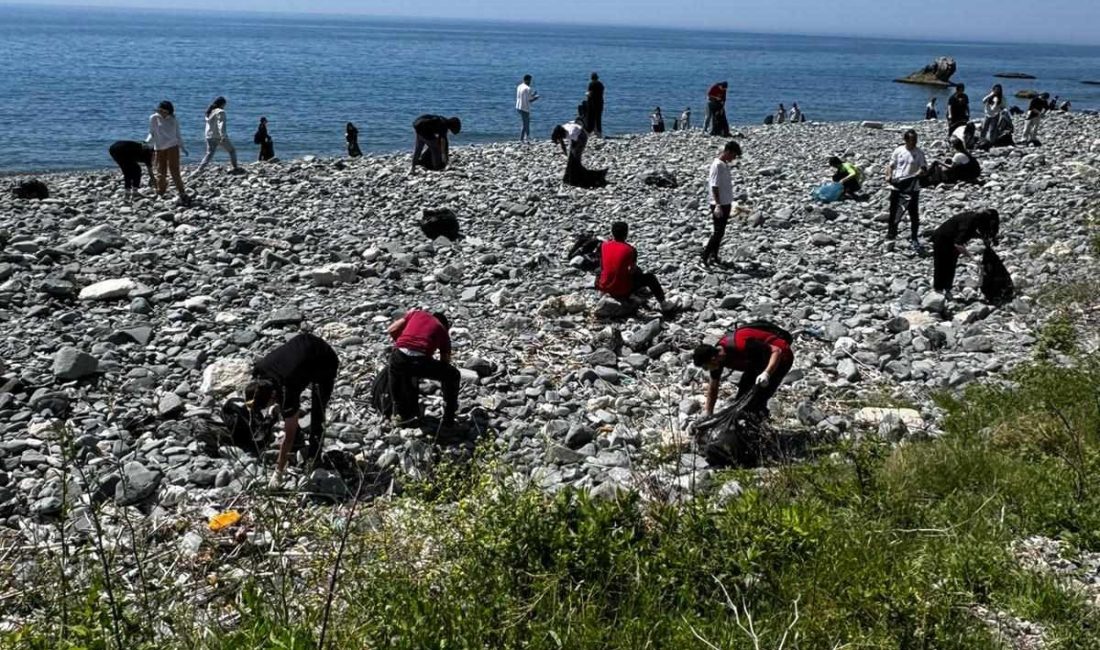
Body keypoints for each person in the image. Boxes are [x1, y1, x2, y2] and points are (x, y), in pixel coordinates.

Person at [244, 332, 339, 485]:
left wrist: (278, 471)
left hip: (324, 360)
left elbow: (288, 436)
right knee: (288, 411)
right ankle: (300, 442)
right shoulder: (260, 370)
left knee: (317, 412)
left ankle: (314, 457)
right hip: (302, 346)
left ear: (273, 395)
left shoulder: (287, 389)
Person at [692, 325, 795, 420]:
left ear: (712, 359)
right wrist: (708, 412)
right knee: (741, 400)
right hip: (757, 362)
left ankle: (761, 428)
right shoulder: (718, 360)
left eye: (705, 367)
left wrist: (767, 373)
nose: (706, 370)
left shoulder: (741, 345)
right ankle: (747, 423)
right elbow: (713, 386)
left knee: (758, 399)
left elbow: (776, 351)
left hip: (782, 356)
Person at [387, 309, 460, 431]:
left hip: (398, 357)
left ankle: (399, 415)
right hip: (420, 361)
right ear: (445, 326)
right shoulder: (442, 330)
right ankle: (449, 417)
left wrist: (402, 343)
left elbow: (392, 330)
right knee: (453, 375)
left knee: (399, 373)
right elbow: (445, 362)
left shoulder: (416, 313)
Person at [596, 221, 676, 312]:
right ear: (626, 234)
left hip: (603, 286)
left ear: (612, 233)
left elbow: (602, 266)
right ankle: (664, 304)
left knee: (606, 268)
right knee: (650, 277)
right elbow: (632, 271)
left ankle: (602, 292)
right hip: (622, 291)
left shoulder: (604, 245)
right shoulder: (630, 250)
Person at [931, 209, 1000, 300]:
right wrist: (972, 257)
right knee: (942, 264)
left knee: (951, 264)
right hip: (942, 238)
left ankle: (947, 290)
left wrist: (989, 239)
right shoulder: (968, 223)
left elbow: (975, 233)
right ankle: (938, 292)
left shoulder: (976, 219)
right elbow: (958, 244)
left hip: (953, 238)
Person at [885, 129, 928, 250]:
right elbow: (891, 165)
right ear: (905, 140)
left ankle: (914, 237)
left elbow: (923, 168)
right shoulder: (899, 150)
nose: (914, 142)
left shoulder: (919, 153)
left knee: (913, 214)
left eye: (915, 139)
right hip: (897, 185)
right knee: (894, 211)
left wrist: (917, 174)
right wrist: (888, 175)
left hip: (912, 188)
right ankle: (891, 233)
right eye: (912, 140)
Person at [703, 140, 741, 266]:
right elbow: (714, 186)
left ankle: (714, 255)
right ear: (728, 151)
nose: (734, 158)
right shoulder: (717, 165)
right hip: (719, 204)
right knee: (718, 232)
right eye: (734, 155)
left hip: (726, 202)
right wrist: (718, 205)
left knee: (721, 232)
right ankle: (704, 257)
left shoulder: (724, 164)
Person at [145, 100, 190, 204]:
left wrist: (183, 148)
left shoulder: (173, 119)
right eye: (161, 111)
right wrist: (146, 142)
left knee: (174, 170)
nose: (163, 113)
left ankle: (182, 192)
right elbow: (151, 133)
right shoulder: (153, 118)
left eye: (165, 112)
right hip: (159, 147)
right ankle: (160, 192)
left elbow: (178, 135)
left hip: (172, 146)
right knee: (161, 171)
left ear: (169, 111)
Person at [192, 96, 241, 177]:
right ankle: (235, 167)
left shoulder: (210, 112)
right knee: (232, 151)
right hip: (218, 136)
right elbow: (221, 124)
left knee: (209, 154)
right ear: (222, 104)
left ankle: (199, 170)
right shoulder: (221, 112)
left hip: (209, 136)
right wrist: (223, 135)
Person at [552, 120, 608, 188]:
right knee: (571, 160)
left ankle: (595, 176)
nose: (560, 139)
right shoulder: (562, 130)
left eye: (560, 138)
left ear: (561, 133)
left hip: (581, 137)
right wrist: (566, 155)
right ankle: (571, 177)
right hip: (576, 137)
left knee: (575, 161)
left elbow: (575, 145)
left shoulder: (571, 132)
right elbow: (562, 143)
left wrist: (572, 156)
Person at [515, 74, 539, 143]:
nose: (530, 82)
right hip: (524, 107)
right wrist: (536, 97)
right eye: (530, 80)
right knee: (526, 123)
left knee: (525, 123)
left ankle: (523, 138)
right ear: (527, 80)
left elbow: (525, 96)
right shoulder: (528, 88)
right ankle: (526, 138)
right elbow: (530, 100)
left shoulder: (519, 86)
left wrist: (533, 94)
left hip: (518, 106)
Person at [586, 73, 605, 137]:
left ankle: (590, 131)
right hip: (600, 103)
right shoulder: (601, 84)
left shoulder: (591, 84)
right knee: (598, 118)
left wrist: (587, 94)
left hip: (592, 103)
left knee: (591, 118)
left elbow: (589, 93)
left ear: (591, 78)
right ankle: (599, 132)